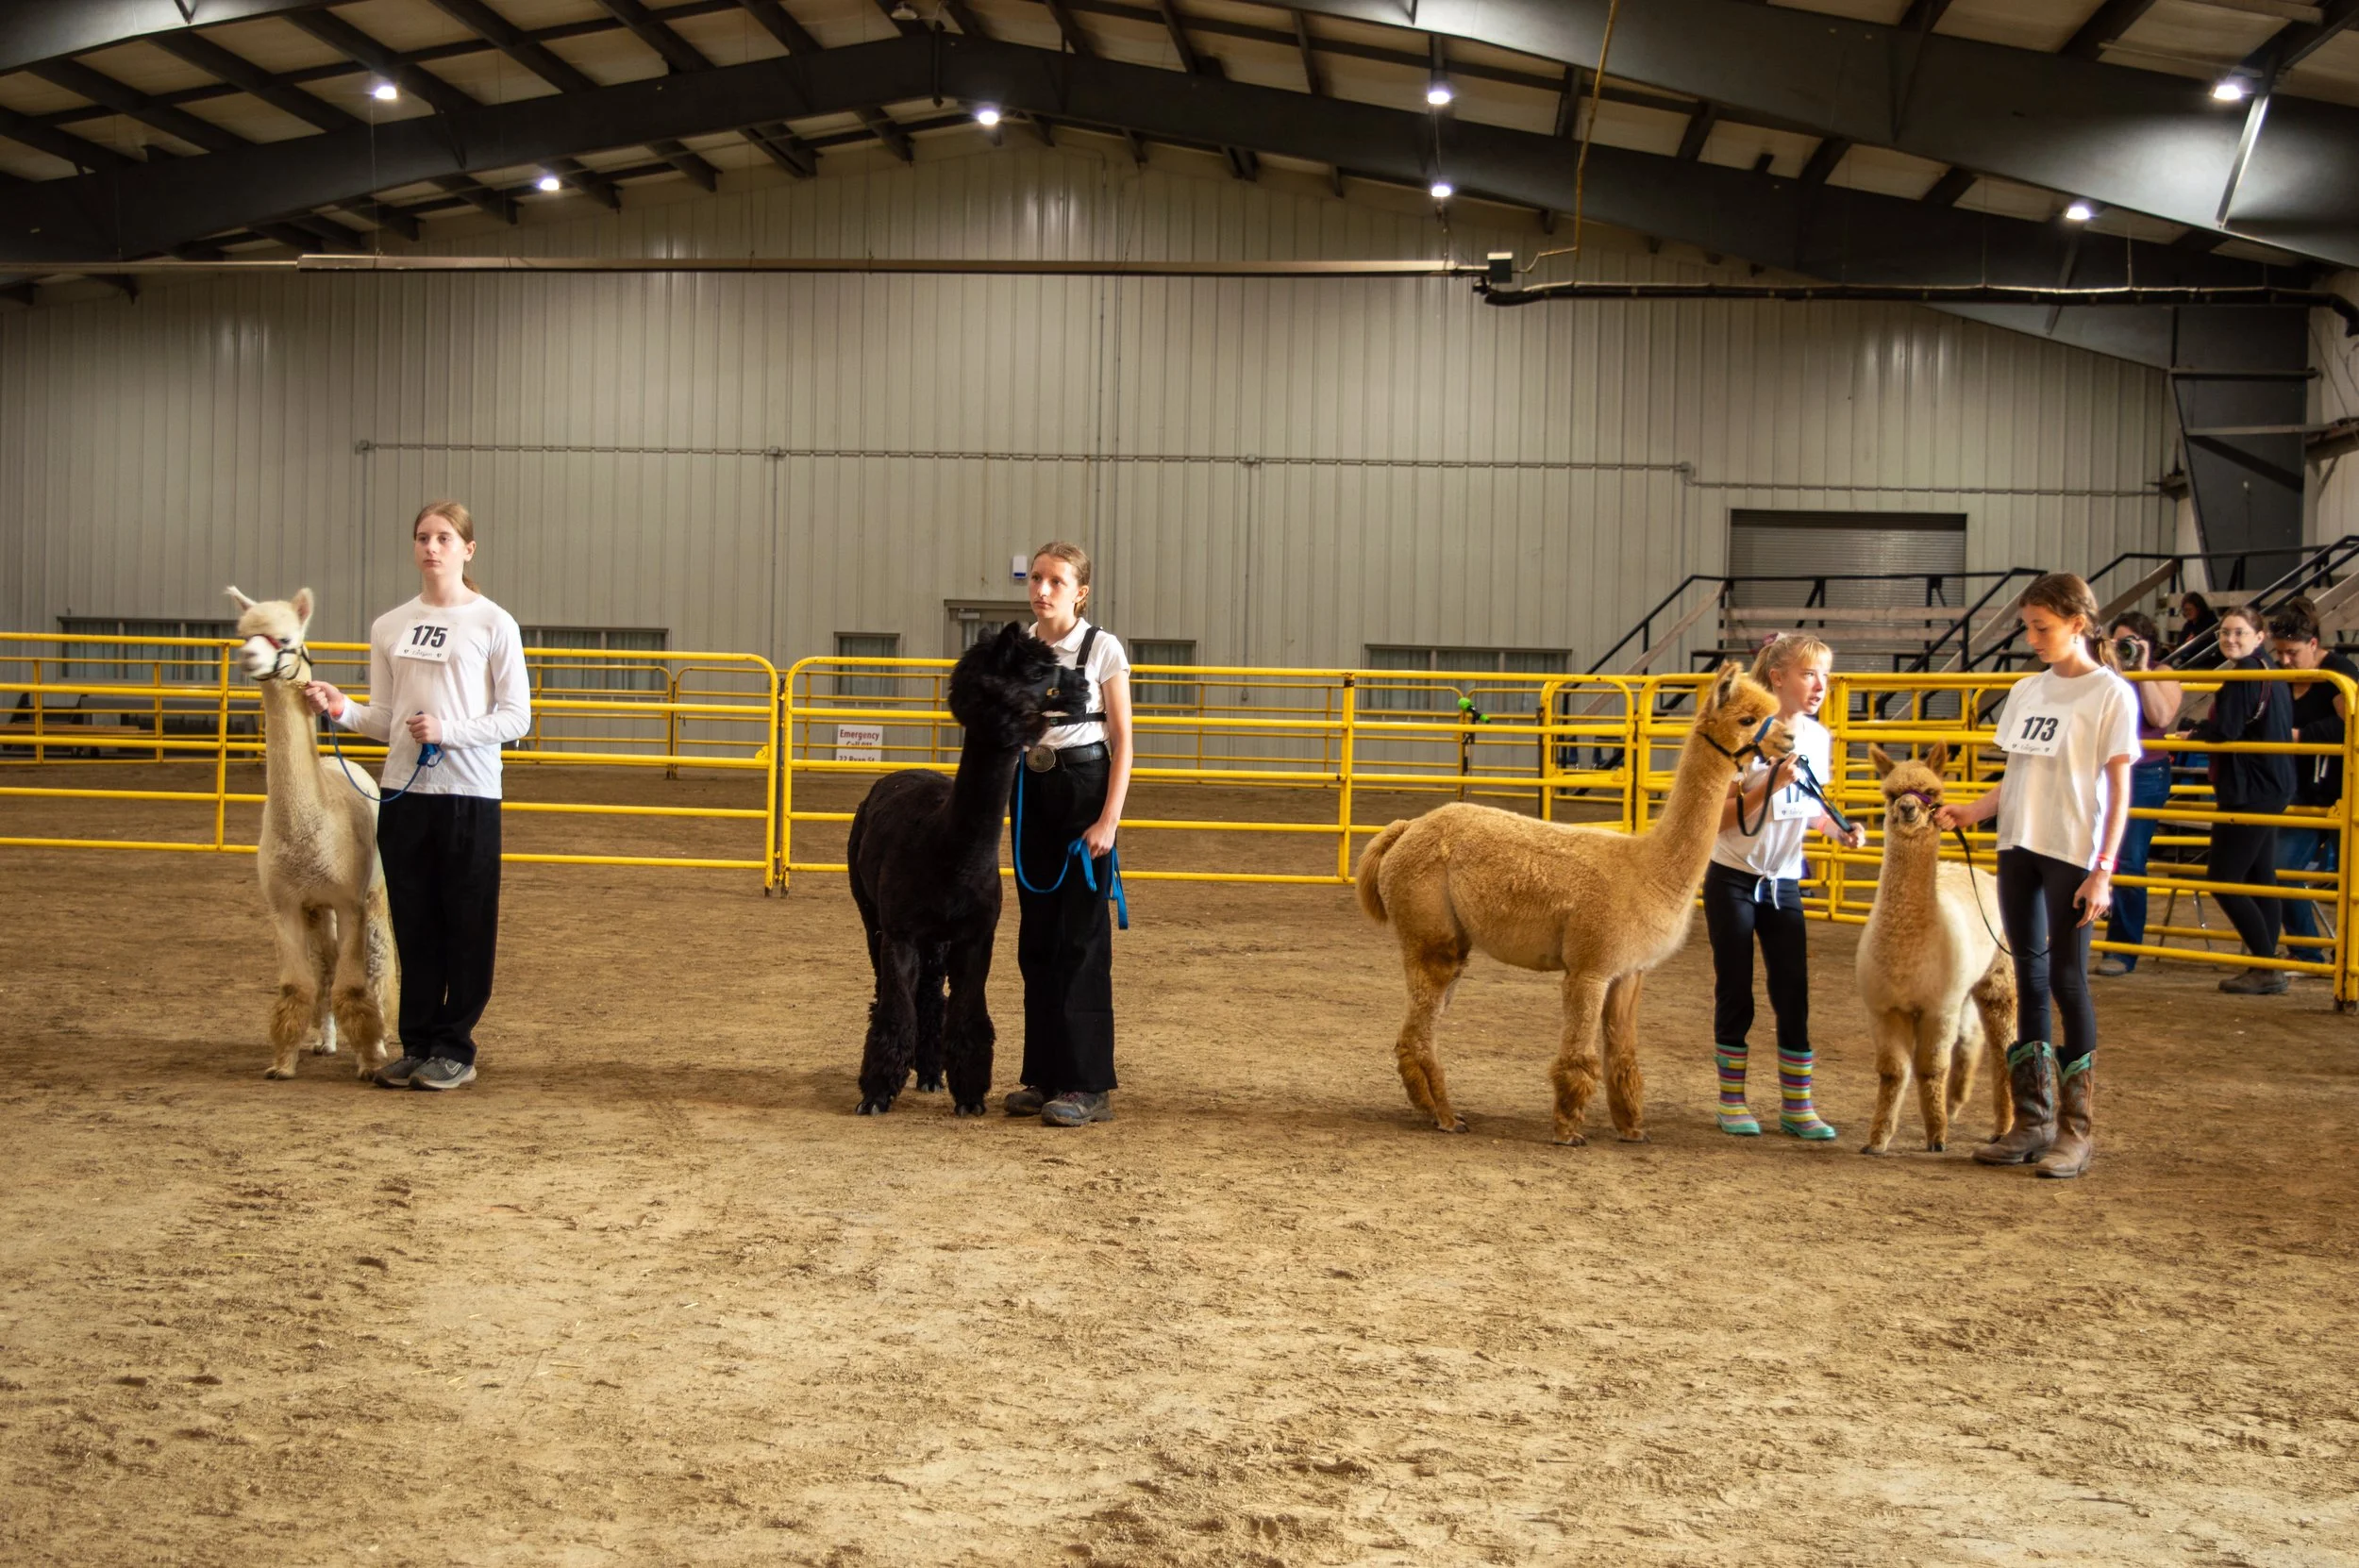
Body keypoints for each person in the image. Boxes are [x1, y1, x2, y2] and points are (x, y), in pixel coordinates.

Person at [303, 501, 531, 1091]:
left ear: (467, 549)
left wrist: (448, 731)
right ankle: (420, 1043)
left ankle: (456, 1046)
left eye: (445, 538)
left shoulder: (493, 623)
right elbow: (386, 718)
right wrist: (343, 709)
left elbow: (517, 717)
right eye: (423, 537)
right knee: (414, 922)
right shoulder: (390, 625)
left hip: (468, 795)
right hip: (403, 794)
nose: (432, 547)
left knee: (467, 922)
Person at [1935, 573, 2138, 1180]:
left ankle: (2076, 1130)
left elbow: (2119, 790)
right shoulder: (2027, 690)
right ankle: (2033, 1119)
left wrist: (2103, 869)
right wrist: (1973, 811)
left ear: (2078, 624)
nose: (2032, 639)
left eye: (2042, 627)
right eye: (2028, 627)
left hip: (2072, 849)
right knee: (2029, 974)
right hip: (2017, 845)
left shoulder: (2110, 695)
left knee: (2069, 979)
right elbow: (2019, 774)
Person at [1701, 634, 1866, 1141]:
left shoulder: (1817, 737)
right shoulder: (1743, 734)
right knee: (1736, 989)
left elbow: (1807, 807)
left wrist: (1837, 828)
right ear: (1777, 677)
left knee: (1793, 991)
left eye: (1824, 676)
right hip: (1733, 876)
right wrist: (1767, 787)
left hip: (1783, 882)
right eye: (1808, 674)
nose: (1820, 686)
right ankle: (1732, 1101)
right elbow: (1716, 818)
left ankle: (1798, 1106)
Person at [1002, 542, 1133, 1128]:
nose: (1042, 589)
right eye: (1036, 578)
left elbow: (1123, 741)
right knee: (1037, 938)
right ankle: (1045, 1074)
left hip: (1084, 789)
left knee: (1081, 936)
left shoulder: (1103, 648)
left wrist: (1108, 820)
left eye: (1056, 581)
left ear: (1079, 592)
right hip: (1029, 791)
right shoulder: (1020, 650)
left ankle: (1088, 1084)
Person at [2183, 605, 2296, 995]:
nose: (2230, 639)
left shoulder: (2245, 673)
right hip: (2270, 783)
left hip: (2250, 789)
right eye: (2225, 632)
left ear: (2259, 637)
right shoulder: (2268, 670)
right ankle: (2265, 964)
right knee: (2261, 877)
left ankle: (2265, 963)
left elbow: (2227, 729)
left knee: (2224, 878)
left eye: (2239, 632)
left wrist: (2197, 732)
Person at [2095, 612, 2183, 976]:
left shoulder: (2161, 673)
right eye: (2117, 642)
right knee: (2091, 853)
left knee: (2129, 860)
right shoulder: (2104, 673)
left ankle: (2122, 949)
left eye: (2130, 642)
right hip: (2104, 769)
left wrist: (2142, 669)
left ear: (2148, 644)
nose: (2123, 649)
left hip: (2145, 772)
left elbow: (2161, 718)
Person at [2267, 600, 2353, 958]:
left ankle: (2351, 955)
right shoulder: (2280, 679)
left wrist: (2299, 736)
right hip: (2304, 790)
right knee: (2280, 871)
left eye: (2293, 653)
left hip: (2348, 790)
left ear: (2313, 644)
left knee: (2353, 879)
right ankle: (2306, 952)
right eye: (2279, 653)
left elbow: (2351, 724)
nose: (2285, 660)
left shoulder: (2340, 673)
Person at [2177, 592, 2220, 659]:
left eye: (2189, 609)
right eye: (2185, 610)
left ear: (2199, 609)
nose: (2187, 612)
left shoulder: (2211, 624)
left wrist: (2190, 645)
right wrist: (2185, 645)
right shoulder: (2188, 625)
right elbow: (2180, 646)